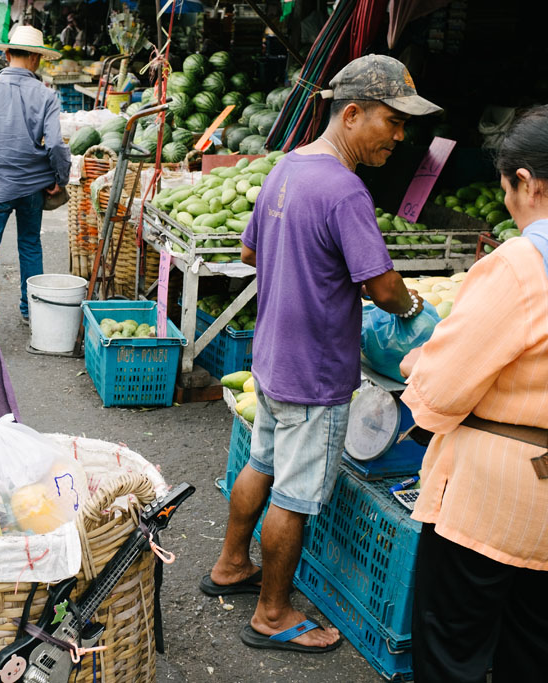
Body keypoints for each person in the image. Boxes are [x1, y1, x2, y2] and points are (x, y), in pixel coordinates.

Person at [201, 55, 442, 653]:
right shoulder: (344, 189)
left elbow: (253, 254)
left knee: (262, 463)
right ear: (352, 113)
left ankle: (231, 564)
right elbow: (383, 288)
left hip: (275, 358)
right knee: (297, 494)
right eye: (392, 120)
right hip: (315, 373)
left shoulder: (288, 168)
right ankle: (273, 614)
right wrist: (415, 313)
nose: (399, 135)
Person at [398, 106, 548, 682]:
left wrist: (418, 361)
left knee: (452, 650)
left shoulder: (519, 264)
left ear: (526, 182)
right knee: (533, 649)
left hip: (493, 500)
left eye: (507, 186)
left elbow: (439, 392)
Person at [0, 25, 69, 327]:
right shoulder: (47, 95)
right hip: (33, 188)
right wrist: (59, 178)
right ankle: (30, 309)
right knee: (29, 244)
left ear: (7, 54)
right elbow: (55, 146)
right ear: (36, 59)